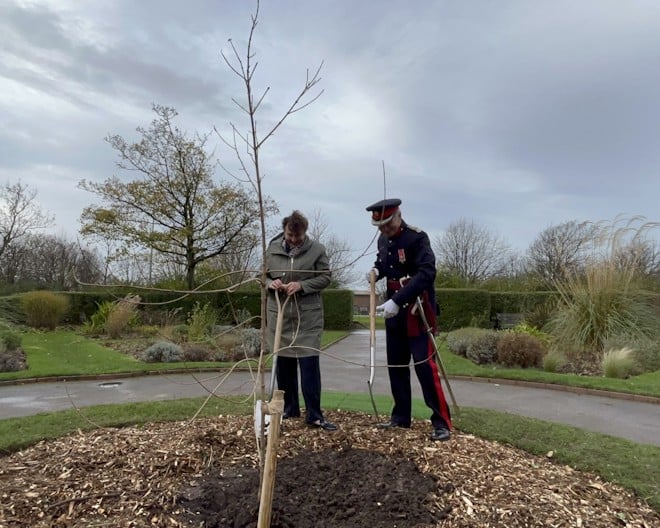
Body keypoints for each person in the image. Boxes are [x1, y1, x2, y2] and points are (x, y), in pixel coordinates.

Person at [365, 198, 452, 441]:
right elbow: (383, 263)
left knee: (425, 367)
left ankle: (441, 422)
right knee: (396, 367)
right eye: (379, 226)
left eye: (387, 224)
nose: (384, 230)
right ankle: (400, 417)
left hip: (417, 310)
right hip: (394, 314)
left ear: (398, 216)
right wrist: (376, 272)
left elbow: (427, 273)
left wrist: (399, 299)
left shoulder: (417, 238)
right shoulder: (383, 240)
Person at [265, 210, 337, 431]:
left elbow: (326, 277)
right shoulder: (272, 248)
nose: (294, 240)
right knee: (284, 366)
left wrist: (302, 286)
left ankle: (314, 414)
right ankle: (289, 409)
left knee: (308, 366)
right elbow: (262, 275)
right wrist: (271, 283)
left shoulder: (317, 250)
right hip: (280, 316)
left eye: (298, 236)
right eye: (290, 235)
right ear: (285, 229)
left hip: (307, 317)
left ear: (305, 232)